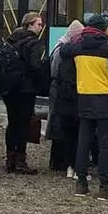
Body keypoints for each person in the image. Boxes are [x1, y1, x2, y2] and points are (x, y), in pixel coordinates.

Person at [60, 14, 108, 200]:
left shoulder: (75, 49)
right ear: (104, 29)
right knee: (106, 145)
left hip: (84, 101)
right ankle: (104, 187)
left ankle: (81, 184)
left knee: (83, 143)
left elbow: (69, 76)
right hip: (106, 101)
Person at [1, 13, 46, 175]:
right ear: (29, 25)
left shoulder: (11, 39)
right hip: (25, 88)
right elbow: (35, 66)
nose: (41, 27)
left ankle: (10, 158)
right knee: (23, 123)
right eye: (38, 24)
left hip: (9, 87)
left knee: (12, 121)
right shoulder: (34, 43)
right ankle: (20, 159)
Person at [46, 20, 84, 174]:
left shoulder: (61, 46)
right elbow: (54, 70)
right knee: (58, 124)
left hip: (59, 89)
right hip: (59, 89)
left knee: (60, 125)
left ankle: (59, 160)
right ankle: (57, 161)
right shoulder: (62, 49)